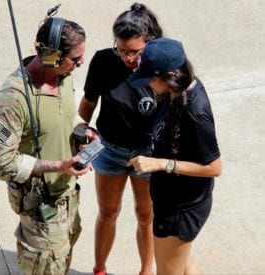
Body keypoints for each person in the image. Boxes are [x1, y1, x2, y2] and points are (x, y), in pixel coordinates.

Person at [0, 9, 93, 275]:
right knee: (46, 266)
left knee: (62, 258)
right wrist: (59, 164)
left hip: (67, 194)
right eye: (75, 58)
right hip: (39, 203)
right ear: (52, 56)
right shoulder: (10, 100)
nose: (81, 63)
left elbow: (62, 119)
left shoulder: (64, 77)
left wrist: (83, 132)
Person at [77, 3, 164, 275]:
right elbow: (87, 105)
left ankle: (145, 271)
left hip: (148, 155)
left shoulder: (160, 66)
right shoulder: (104, 61)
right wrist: (83, 129)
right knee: (108, 213)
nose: (128, 58)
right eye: (121, 50)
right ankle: (100, 269)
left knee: (146, 216)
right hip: (110, 150)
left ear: (149, 42)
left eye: (135, 52)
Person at [128, 37, 222, 275]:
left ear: (170, 76)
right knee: (185, 263)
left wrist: (161, 163)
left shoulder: (195, 113)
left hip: (181, 210)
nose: (147, 84)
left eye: (150, 78)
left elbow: (214, 167)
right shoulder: (177, 91)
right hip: (173, 200)